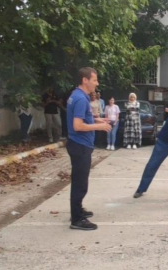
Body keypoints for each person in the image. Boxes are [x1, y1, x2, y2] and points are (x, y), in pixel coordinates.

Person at [67, 67, 111, 231]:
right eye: (94, 80)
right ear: (85, 80)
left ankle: (77, 210)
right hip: (80, 146)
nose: (96, 83)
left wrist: (98, 119)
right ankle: (76, 219)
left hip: (78, 144)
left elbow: (82, 116)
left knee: (79, 181)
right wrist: (99, 127)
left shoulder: (77, 95)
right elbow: (77, 125)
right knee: (80, 183)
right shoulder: (81, 99)